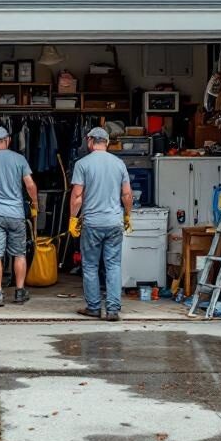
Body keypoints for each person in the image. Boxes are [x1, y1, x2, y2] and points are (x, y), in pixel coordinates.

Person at [68, 127, 133, 321]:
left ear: (89, 141)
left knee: (90, 266)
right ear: (107, 142)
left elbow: (77, 196)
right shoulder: (119, 164)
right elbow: (127, 194)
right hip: (114, 222)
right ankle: (112, 310)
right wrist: (127, 216)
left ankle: (94, 308)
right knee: (113, 265)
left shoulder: (82, 164)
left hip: (92, 223)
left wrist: (73, 219)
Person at [0, 126, 39, 307]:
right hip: (16, 214)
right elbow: (30, 185)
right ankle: (19, 292)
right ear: (8, 140)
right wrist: (35, 204)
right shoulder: (19, 159)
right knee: (19, 253)